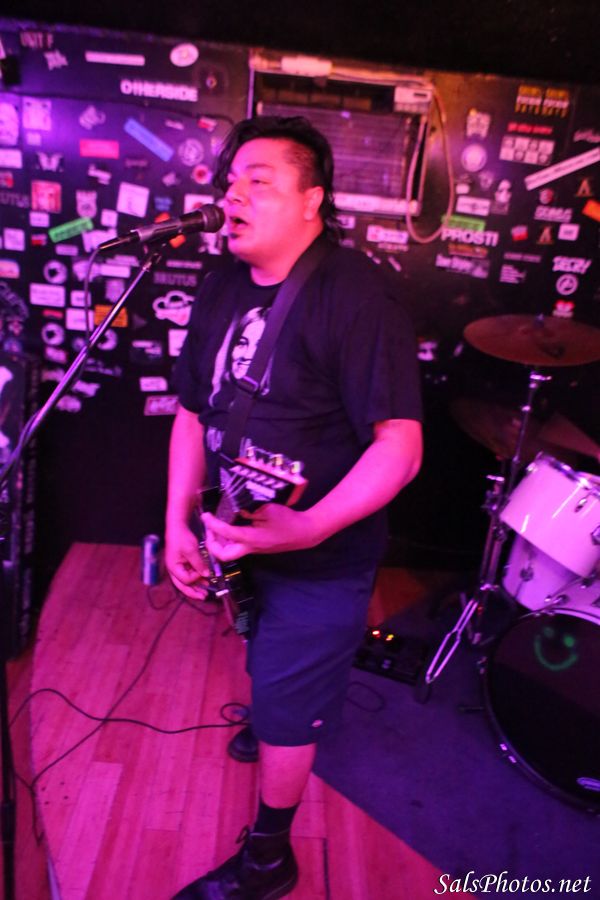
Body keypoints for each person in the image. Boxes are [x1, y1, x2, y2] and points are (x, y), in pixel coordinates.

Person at [165, 115, 423, 900]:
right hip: (242, 535)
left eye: (259, 181)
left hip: (322, 556)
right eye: (229, 182)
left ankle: (270, 859)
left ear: (312, 201)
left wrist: (307, 526)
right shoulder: (220, 283)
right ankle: (277, 708)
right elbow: (191, 413)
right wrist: (175, 522)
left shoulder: (358, 295)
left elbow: (402, 447)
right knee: (263, 653)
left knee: (286, 704)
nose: (232, 196)